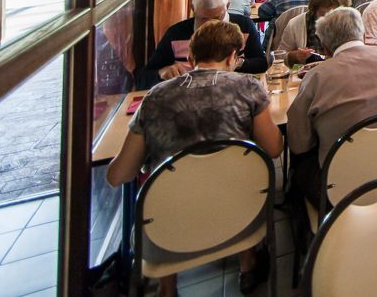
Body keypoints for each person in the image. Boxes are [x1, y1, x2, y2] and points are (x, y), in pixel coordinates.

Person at [108, 20, 283, 296]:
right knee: (239, 178)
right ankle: (247, 265)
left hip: (167, 226)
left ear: (190, 57)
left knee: (160, 190)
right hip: (240, 215)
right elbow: (274, 149)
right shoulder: (248, 89)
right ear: (232, 58)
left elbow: (119, 176)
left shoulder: (155, 99)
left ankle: (168, 285)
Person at [286, 8, 377, 207]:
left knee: (298, 169)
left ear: (325, 47)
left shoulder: (317, 76)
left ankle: (311, 231)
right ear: (362, 34)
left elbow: (299, 143)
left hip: (340, 186)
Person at [143, 0, 266, 86]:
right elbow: (143, 79)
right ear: (193, 9)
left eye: (217, 17)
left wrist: (238, 63)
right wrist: (162, 72)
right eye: (203, 18)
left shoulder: (244, 26)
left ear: (227, 6)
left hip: (234, 91)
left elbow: (262, 64)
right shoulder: (176, 33)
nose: (211, 23)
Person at [276, 0, 351, 65]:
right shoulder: (297, 24)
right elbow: (279, 57)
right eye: (324, 14)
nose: (329, 20)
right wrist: (296, 56)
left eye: (335, 15)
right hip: (310, 75)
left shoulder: (350, 24)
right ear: (314, 9)